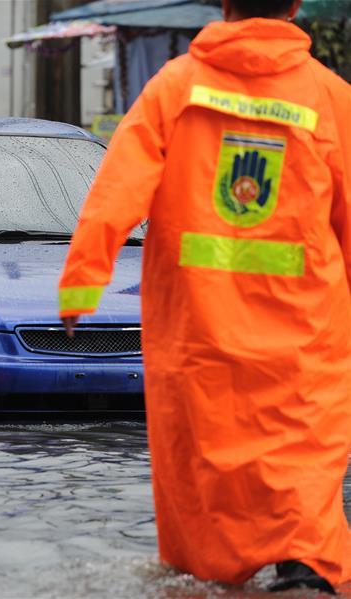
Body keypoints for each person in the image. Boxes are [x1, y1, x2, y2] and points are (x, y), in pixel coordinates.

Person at [57, 0, 350, 592]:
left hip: (197, 324)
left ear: (224, 3)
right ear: (295, 7)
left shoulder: (176, 86)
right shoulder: (330, 96)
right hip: (307, 331)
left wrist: (83, 282)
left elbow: (117, 189)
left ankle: (213, 571)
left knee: (206, 457)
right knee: (303, 451)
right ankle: (305, 566)